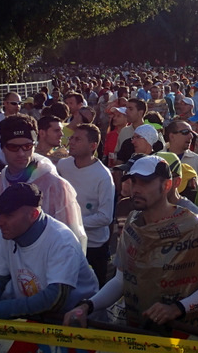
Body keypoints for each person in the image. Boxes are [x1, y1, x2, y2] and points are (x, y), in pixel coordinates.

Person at [63, 155, 198, 334]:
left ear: (166, 185)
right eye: (133, 182)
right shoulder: (132, 223)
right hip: (140, 331)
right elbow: (120, 280)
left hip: (184, 336)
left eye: (145, 182)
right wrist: (88, 306)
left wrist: (177, 308)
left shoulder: (194, 226)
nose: (136, 189)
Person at [0, 183, 98, 319]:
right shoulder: (4, 235)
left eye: (8, 215)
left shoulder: (62, 241)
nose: (0, 222)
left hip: (74, 321)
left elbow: (56, 298)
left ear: (33, 214)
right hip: (32, 316)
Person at [0, 114, 87, 251]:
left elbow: (71, 240)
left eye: (27, 146)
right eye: (13, 147)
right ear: (2, 148)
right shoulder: (0, 181)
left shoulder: (55, 184)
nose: (21, 153)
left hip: (50, 266)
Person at [58, 123, 115, 287]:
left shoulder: (103, 176)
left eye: (78, 139)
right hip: (67, 242)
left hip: (94, 247)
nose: (72, 142)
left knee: (94, 293)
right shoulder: (63, 166)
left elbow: (105, 217)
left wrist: (72, 223)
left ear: (93, 146)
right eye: (72, 138)